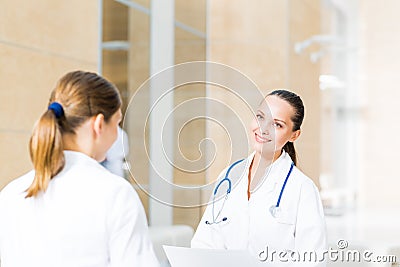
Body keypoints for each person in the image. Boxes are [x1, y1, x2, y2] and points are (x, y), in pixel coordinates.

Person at [0, 71, 159, 267]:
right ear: (99, 124)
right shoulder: (116, 194)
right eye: (117, 123)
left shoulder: (11, 194)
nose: (118, 135)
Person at [191, 89, 326, 266]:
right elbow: (204, 244)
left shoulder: (302, 189)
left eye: (277, 125)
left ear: (294, 135)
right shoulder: (229, 177)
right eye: (261, 117)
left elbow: (312, 261)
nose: (263, 129)